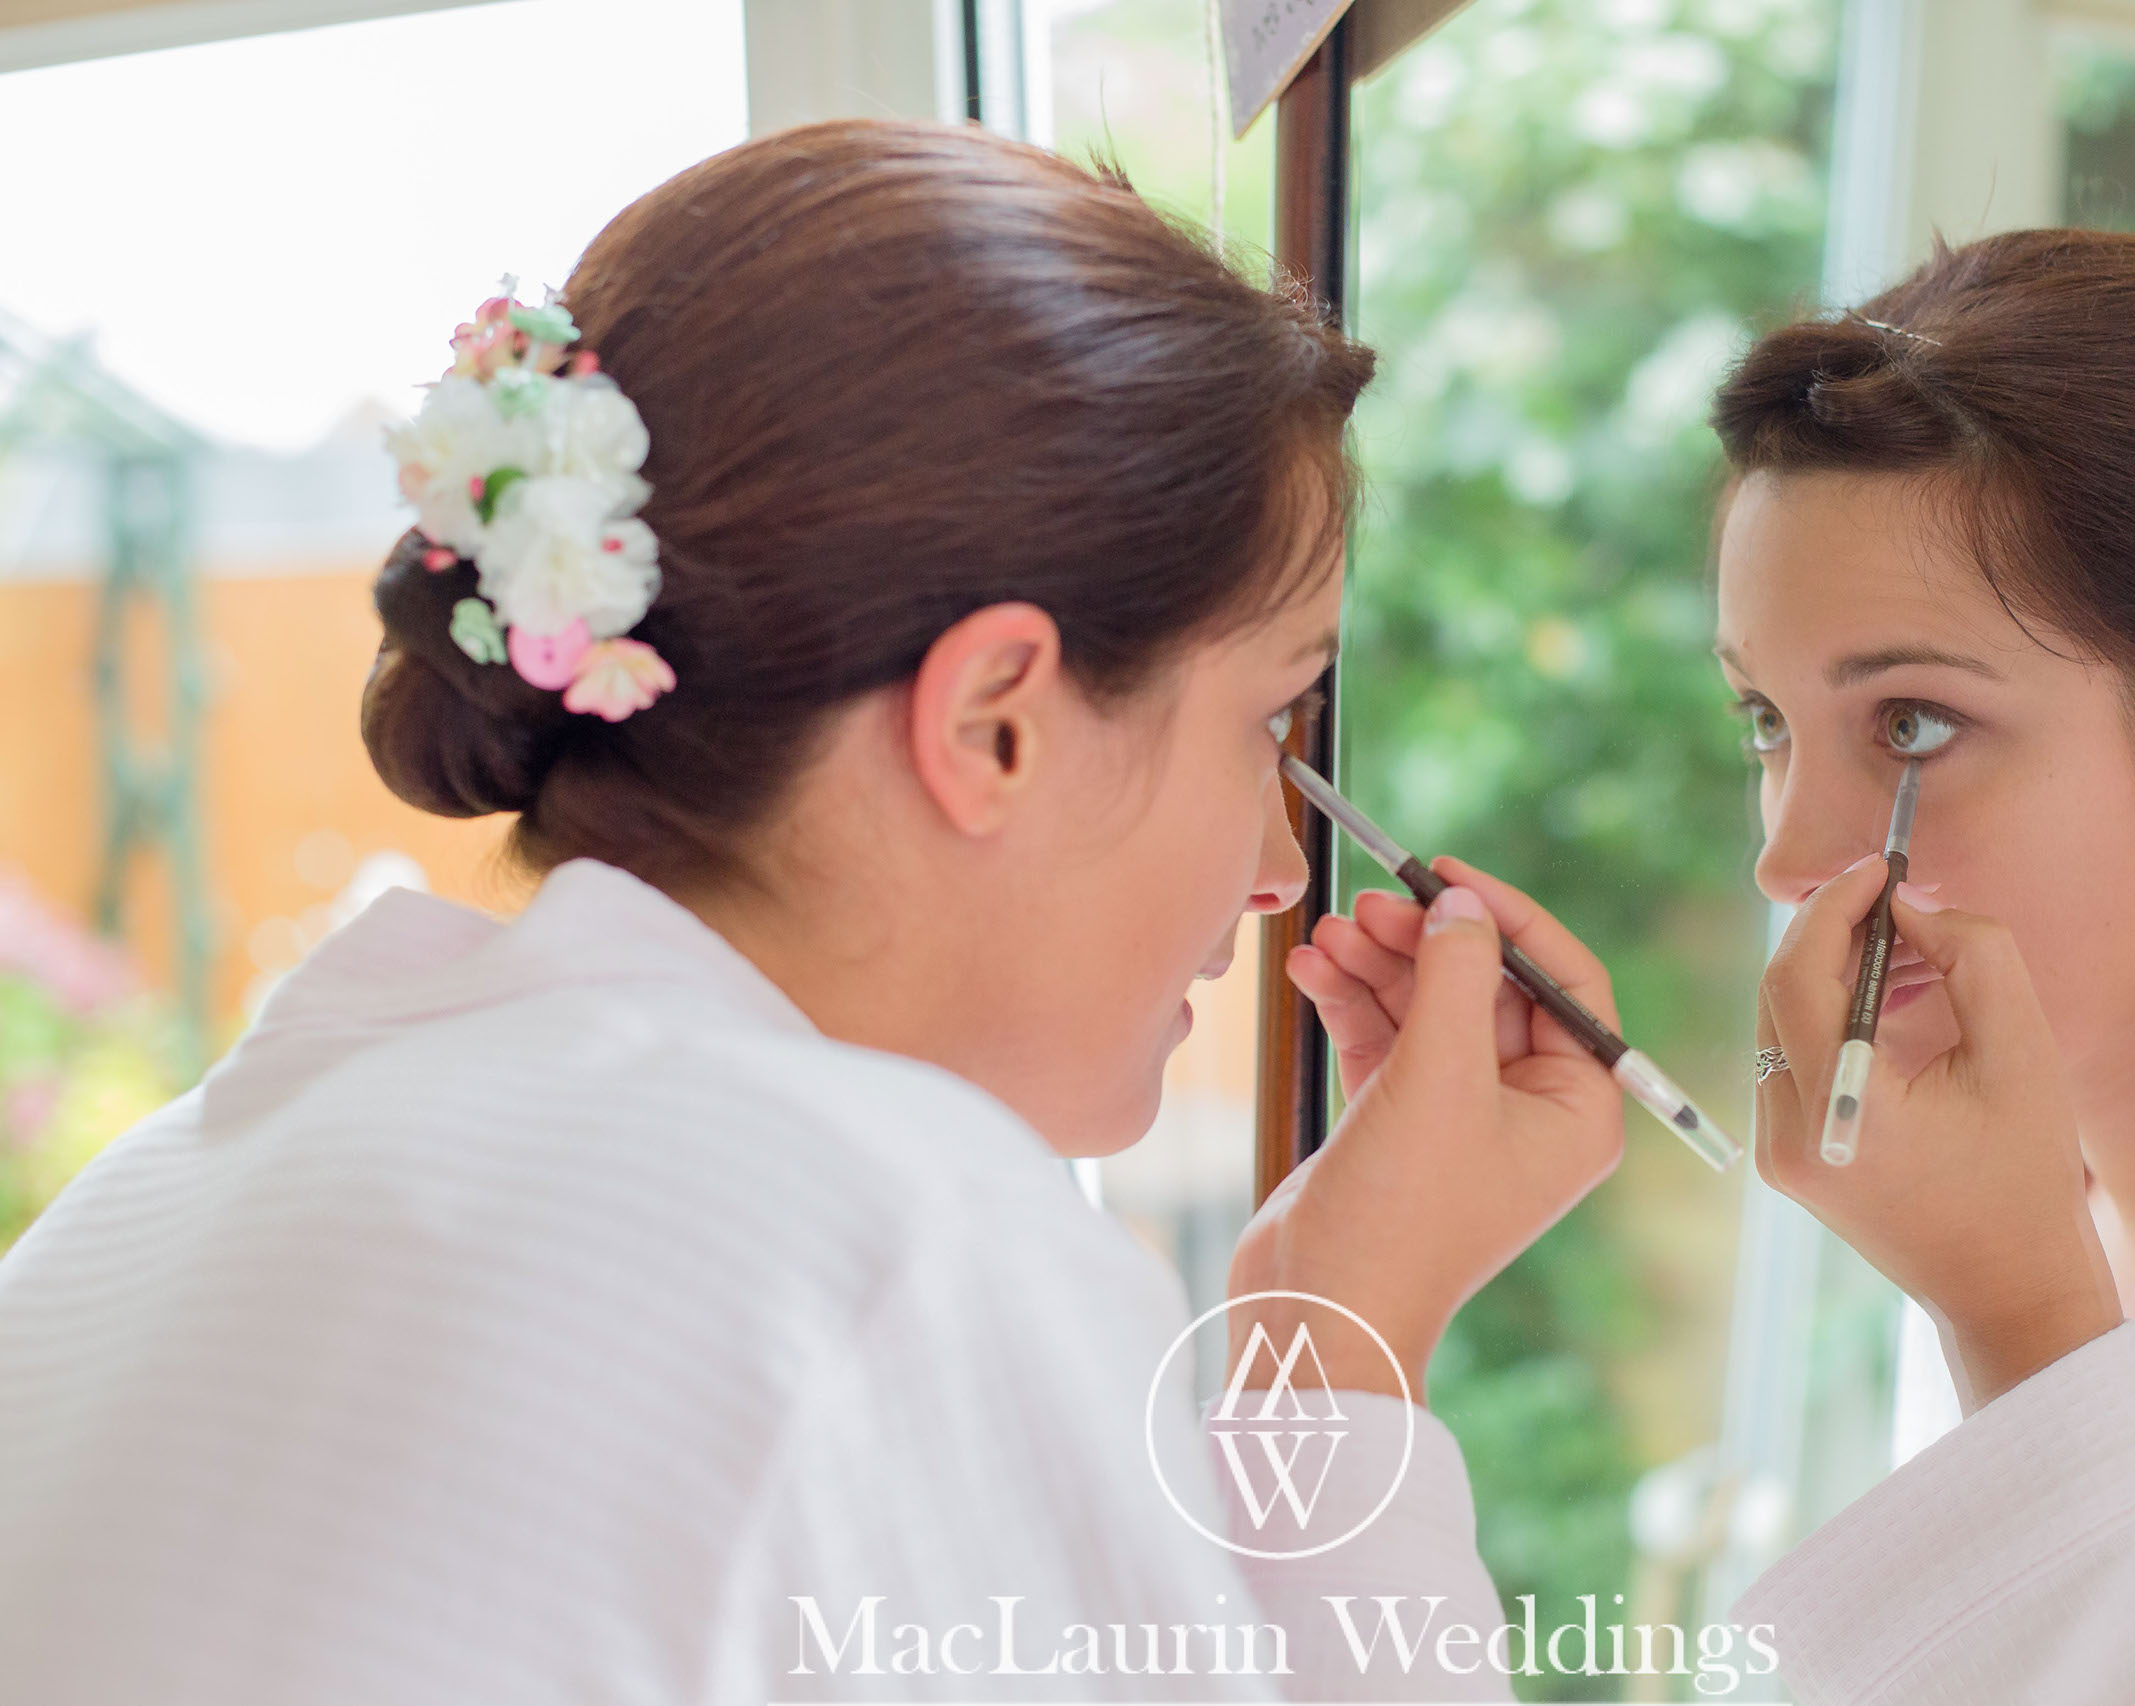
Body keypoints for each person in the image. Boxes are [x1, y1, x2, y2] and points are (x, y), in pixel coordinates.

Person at [0, 122, 1626, 1703]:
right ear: (997, 720)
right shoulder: (876, 1239)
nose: (1282, 866)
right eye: (1268, 720)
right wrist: (1342, 1342)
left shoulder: (147, 1209)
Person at [1714, 228, 2135, 1701]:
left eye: (1909, 725)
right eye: (1764, 720)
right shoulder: (2015, 1185)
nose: (1787, 858)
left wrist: (2015, 1315)